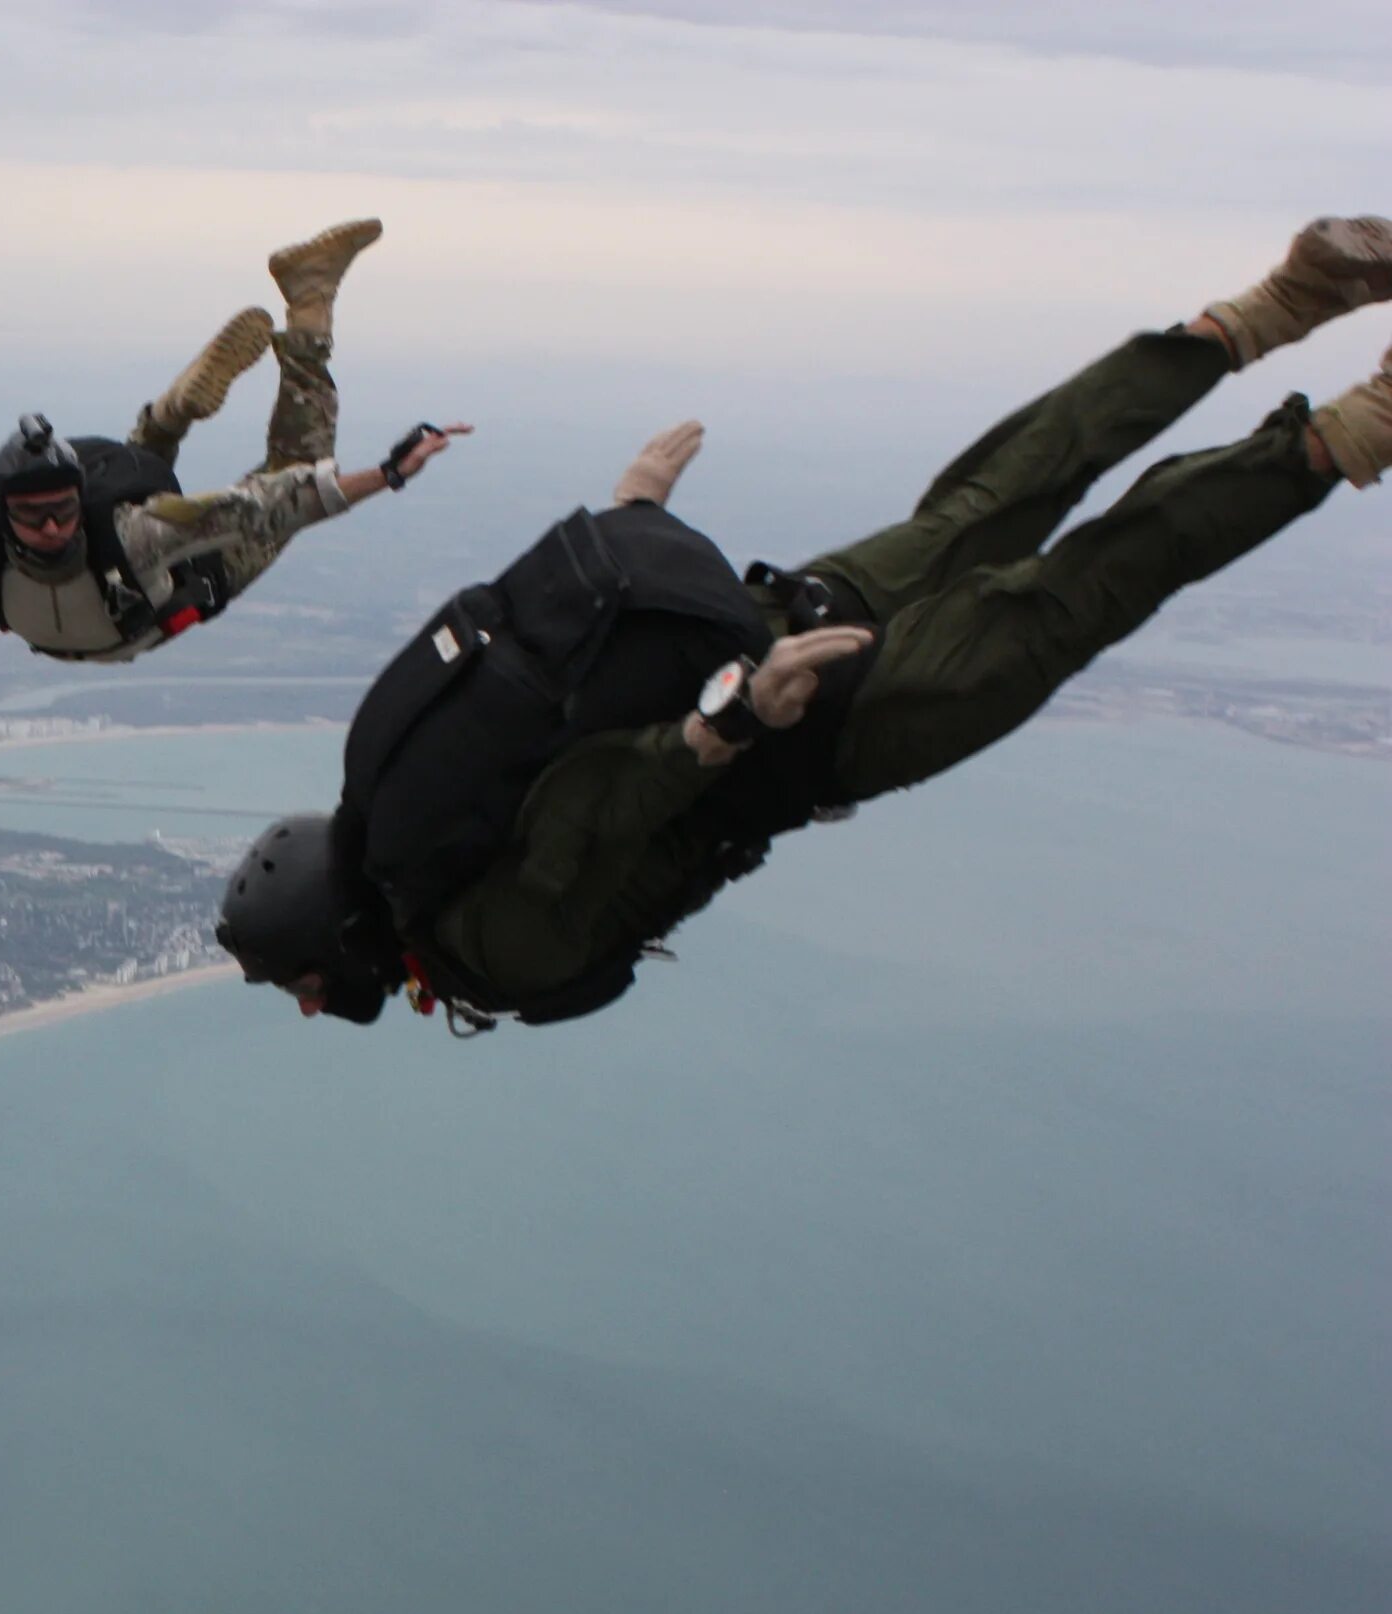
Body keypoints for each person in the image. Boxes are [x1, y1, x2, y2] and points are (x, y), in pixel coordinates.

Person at [213, 215, 1392, 1032]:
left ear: (341, 934)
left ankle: (1366, 419)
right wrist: (629, 520)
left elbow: (590, 808)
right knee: (999, 494)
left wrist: (722, 732)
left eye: (303, 982)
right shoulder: (396, 768)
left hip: (807, 714)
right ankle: (1275, 303)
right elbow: (531, 641)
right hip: (768, 607)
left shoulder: (482, 945)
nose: (315, 1003)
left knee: (1079, 595)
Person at [0, 219, 472, 663]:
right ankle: (168, 417)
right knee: (137, 488)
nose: (55, 528)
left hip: (154, 589)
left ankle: (307, 308)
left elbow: (276, 503)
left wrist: (388, 473)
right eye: (34, 517)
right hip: (128, 608)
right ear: (3, 512)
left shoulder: (140, 532)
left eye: (62, 510)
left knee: (291, 470)